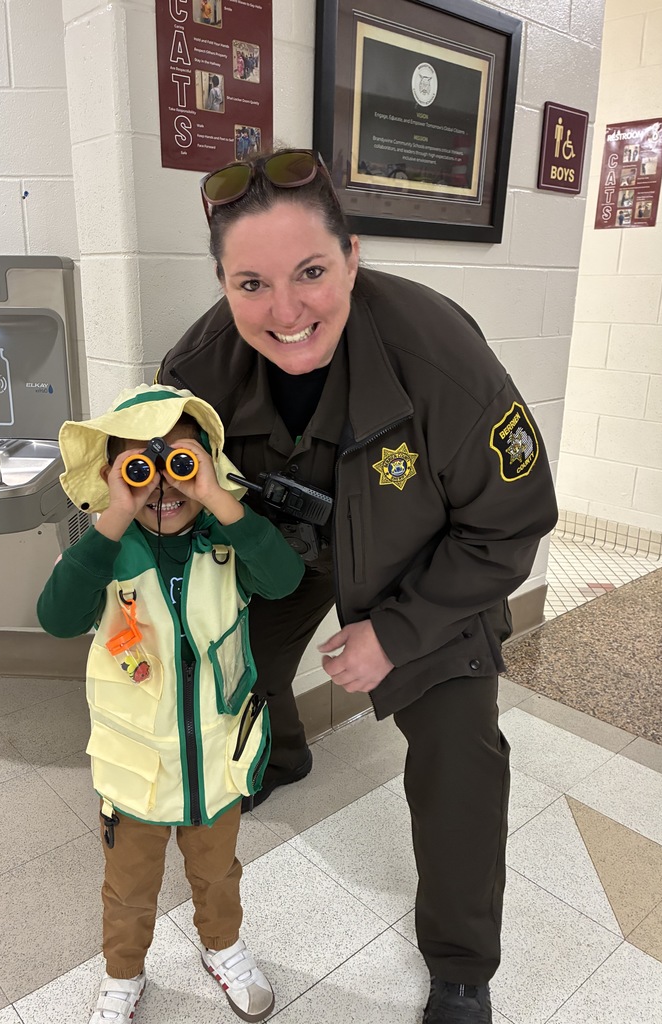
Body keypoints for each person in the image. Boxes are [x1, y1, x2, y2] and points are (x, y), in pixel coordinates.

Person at [156, 149, 559, 1023]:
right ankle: (287, 751)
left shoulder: (441, 357)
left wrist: (397, 633)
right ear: (223, 282)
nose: (286, 310)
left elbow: (512, 521)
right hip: (292, 550)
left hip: (423, 572)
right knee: (236, 652)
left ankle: (461, 966)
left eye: (310, 273)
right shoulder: (195, 371)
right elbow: (167, 503)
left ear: (353, 257)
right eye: (251, 283)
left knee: (461, 755)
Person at [37, 383, 304, 1024]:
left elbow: (286, 579)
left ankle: (224, 949)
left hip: (215, 759)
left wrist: (216, 499)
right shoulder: (107, 552)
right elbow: (56, 617)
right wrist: (114, 518)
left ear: (208, 464)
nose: (164, 486)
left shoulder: (227, 540)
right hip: (137, 773)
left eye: (181, 464)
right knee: (129, 889)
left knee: (218, 873)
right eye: (141, 470)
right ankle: (122, 976)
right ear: (114, 477)